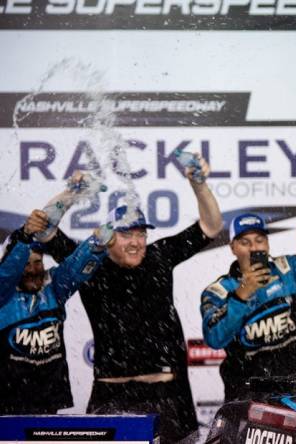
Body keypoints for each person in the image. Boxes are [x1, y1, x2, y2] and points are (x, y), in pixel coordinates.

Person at [44, 156, 222, 442]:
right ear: (109, 237)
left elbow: (210, 227)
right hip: (111, 397)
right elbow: (45, 230)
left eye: (141, 233)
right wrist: (71, 194)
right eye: (127, 234)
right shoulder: (89, 261)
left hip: (166, 398)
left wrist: (198, 185)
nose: (137, 242)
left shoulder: (158, 256)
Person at [0, 209, 113, 414]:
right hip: (6, 405)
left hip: (47, 404)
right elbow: (5, 273)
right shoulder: (3, 297)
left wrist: (97, 242)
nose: (34, 270)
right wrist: (24, 237)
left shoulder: (52, 289)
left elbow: (74, 268)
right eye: (25, 264)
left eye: (38, 262)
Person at [201, 213, 296, 401]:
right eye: (245, 242)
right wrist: (242, 294)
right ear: (233, 247)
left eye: (260, 240)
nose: (254, 248)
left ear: (267, 243)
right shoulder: (219, 291)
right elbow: (214, 338)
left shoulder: (288, 271)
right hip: (246, 396)